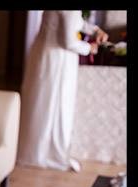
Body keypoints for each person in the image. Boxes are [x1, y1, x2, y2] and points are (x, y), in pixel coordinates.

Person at [17, 11, 108, 171]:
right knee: (55, 104)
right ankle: (48, 152)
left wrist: (95, 30)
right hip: (58, 60)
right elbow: (68, 42)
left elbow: (73, 22)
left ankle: (33, 149)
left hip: (45, 54)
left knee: (41, 103)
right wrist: (89, 48)